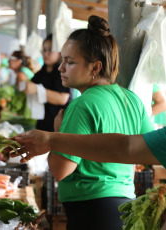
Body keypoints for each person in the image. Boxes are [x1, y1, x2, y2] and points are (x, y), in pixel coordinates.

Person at [17, 15, 154, 230]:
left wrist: (57, 134)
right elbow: (149, 150)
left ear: (95, 68)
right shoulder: (132, 100)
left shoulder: (82, 105)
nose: (62, 67)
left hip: (93, 211)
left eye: (70, 62)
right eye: (63, 59)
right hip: (126, 205)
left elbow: (60, 169)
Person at [24, 34, 72, 132]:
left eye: (50, 50)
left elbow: (62, 98)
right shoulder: (41, 73)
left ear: (59, 52)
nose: (46, 53)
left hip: (58, 126)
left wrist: (37, 90)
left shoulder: (61, 73)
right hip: (42, 123)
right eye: (44, 50)